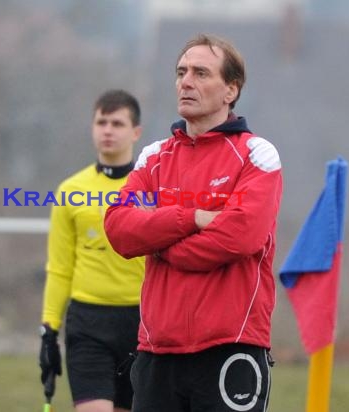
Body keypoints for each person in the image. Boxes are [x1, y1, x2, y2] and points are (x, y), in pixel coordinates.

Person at [104, 34, 282, 412]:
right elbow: (119, 228)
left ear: (230, 90)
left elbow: (238, 238)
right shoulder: (152, 158)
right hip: (156, 353)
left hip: (230, 348)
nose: (186, 81)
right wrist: (192, 218)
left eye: (201, 73)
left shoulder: (257, 154)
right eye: (181, 72)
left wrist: (160, 241)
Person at [39, 89, 145, 412]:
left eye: (117, 122)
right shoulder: (70, 191)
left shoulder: (153, 189)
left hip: (142, 322)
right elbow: (59, 267)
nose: (108, 130)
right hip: (88, 322)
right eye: (102, 122)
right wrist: (48, 328)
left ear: (136, 132)